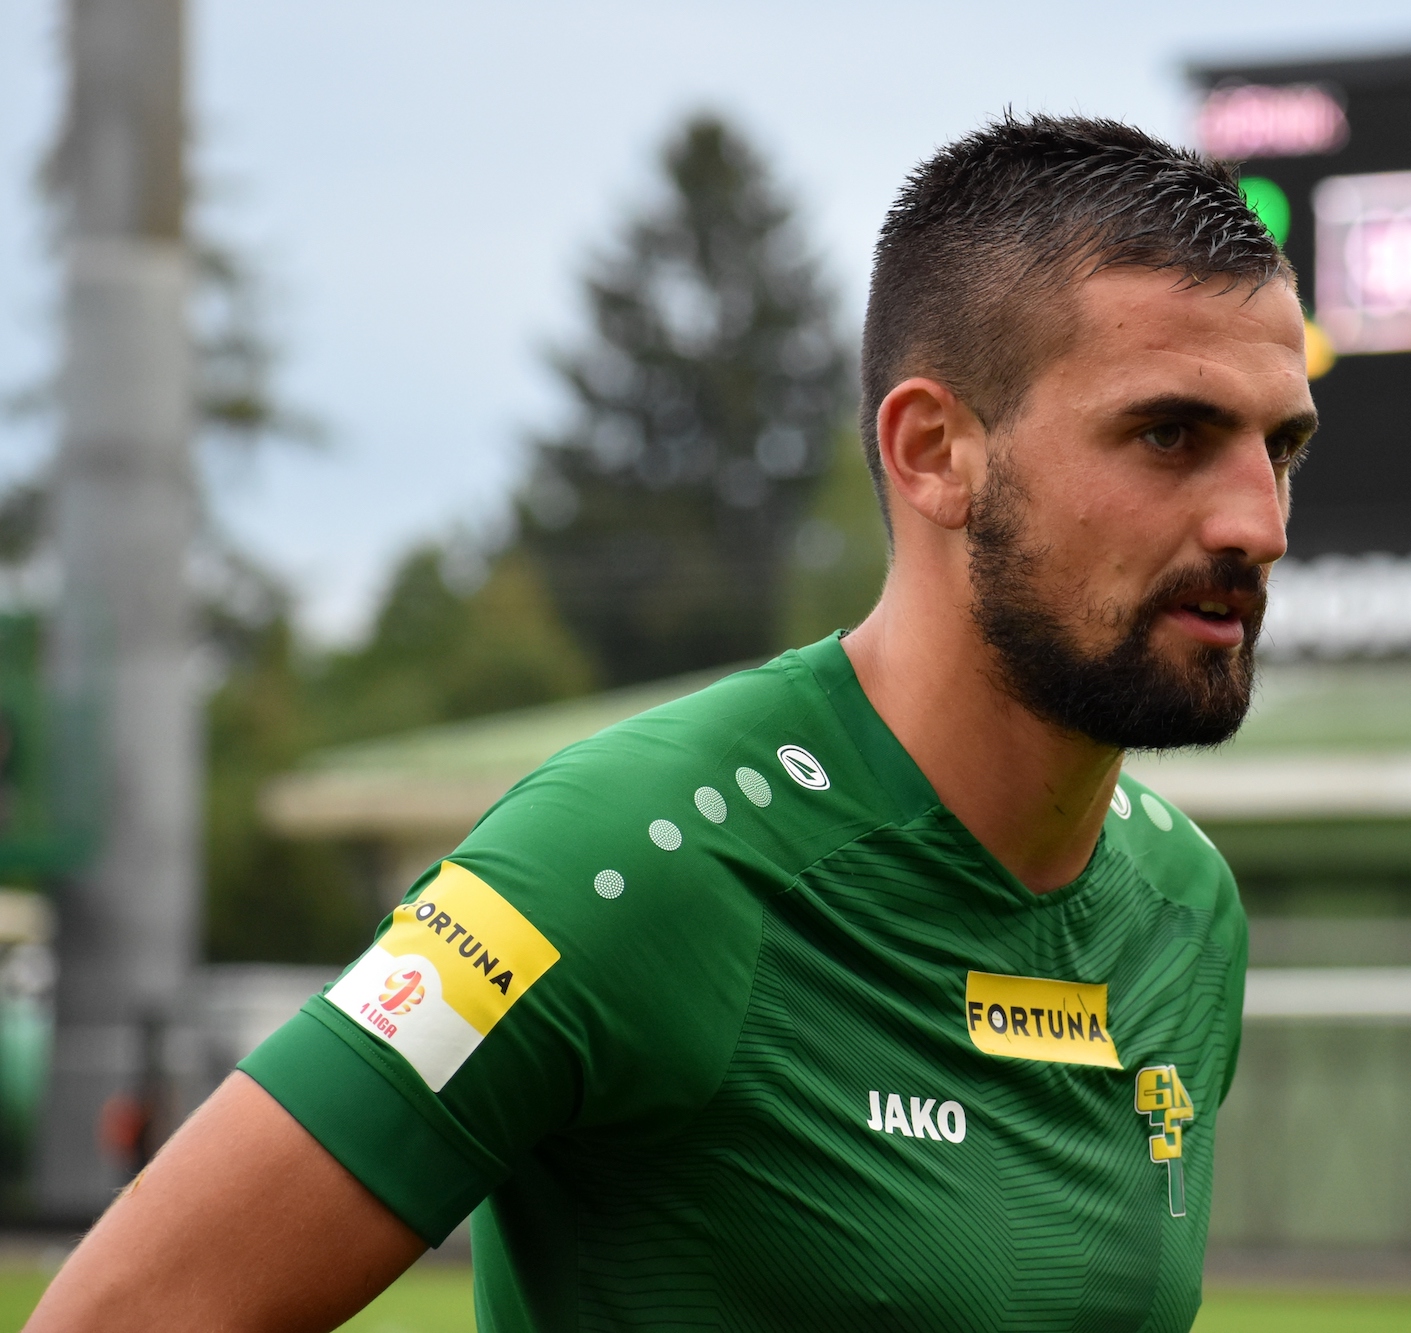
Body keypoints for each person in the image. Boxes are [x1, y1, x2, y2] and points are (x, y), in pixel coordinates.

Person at [27, 114, 1316, 1332]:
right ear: (933, 452)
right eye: (1168, 434)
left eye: (1280, 449)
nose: (1255, 523)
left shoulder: (1181, 909)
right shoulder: (623, 858)